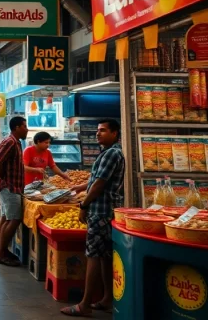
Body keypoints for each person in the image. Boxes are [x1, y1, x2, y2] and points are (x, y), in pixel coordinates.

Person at [61, 119, 125, 317]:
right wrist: (81, 187)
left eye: (103, 130)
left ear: (115, 133)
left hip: (100, 211)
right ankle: (107, 299)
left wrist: (84, 205)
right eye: (97, 130)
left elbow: (99, 184)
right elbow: (95, 180)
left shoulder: (112, 153)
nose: (98, 134)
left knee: (93, 256)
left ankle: (85, 304)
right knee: (105, 256)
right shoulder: (108, 153)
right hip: (106, 211)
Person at [0, 116, 28, 267]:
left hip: (13, 186)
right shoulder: (10, 142)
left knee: (6, 218)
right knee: (14, 219)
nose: (27, 129)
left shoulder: (16, 142)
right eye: (24, 126)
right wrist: (4, 178)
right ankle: (2, 254)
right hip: (10, 187)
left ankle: (0, 250)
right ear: (17, 128)